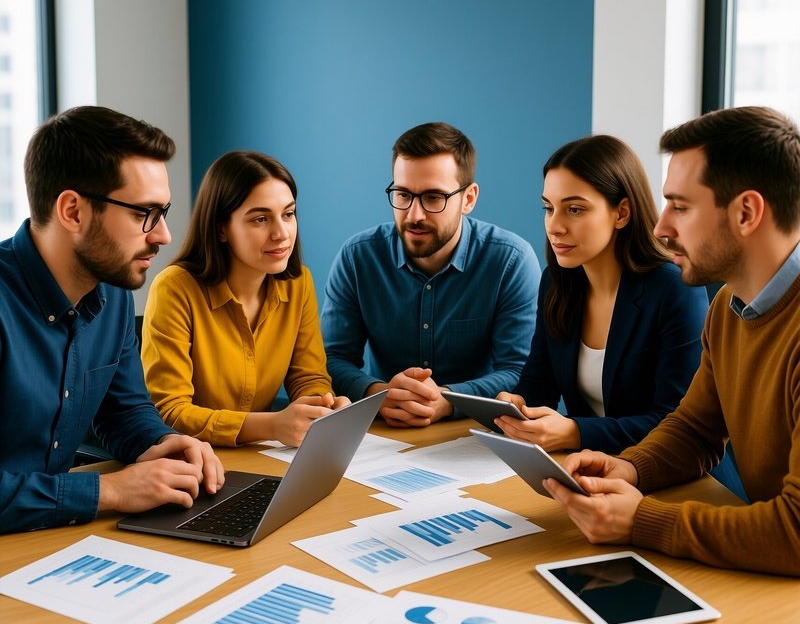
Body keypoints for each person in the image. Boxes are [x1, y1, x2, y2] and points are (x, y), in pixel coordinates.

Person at [544, 106, 800, 576]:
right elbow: (695, 429)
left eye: (680, 206)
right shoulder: (728, 307)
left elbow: (797, 530)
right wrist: (629, 468)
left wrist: (640, 520)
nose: (661, 227)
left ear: (746, 213)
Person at [0, 105, 224, 535]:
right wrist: (108, 492)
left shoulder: (113, 293)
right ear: (73, 211)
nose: (163, 235)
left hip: (57, 540)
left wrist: (162, 442)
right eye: (144, 214)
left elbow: (123, 410)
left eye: (163, 212)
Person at [320, 121, 541, 427]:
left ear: (468, 198)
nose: (414, 215)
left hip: (475, 432)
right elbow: (331, 360)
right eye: (403, 195)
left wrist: (448, 399)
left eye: (434, 197)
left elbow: (520, 370)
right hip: (384, 433)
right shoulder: (357, 257)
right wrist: (379, 394)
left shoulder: (511, 261)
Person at [495, 135, 708, 452]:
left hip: (673, 471)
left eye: (575, 209)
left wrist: (576, 433)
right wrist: (517, 403)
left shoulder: (674, 289)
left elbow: (675, 423)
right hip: (589, 466)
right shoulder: (556, 283)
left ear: (621, 213)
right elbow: (538, 384)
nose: (554, 226)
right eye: (549, 208)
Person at [142, 151, 348, 448]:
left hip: (259, 455)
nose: (281, 233)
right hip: (192, 459)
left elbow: (308, 377)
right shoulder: (174, 289)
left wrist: (321, 407)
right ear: (221, 228)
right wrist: (272, 426)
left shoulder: (298, 283)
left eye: (288, 214)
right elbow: (170, 412)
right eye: (261, 219)